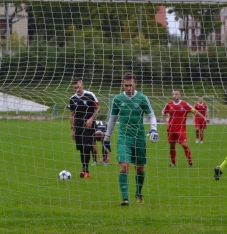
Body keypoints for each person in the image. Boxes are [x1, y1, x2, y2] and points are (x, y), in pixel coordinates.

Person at [103, 72, 159, 206]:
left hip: (139, 137)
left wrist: (153, 129)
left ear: (136, 84)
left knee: (139, 168)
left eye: (131, 85)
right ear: (123, 84)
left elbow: (151, 115)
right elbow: (112, 119)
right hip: (123, 137)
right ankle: (125, 198)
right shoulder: (117, 99)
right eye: (126, 85)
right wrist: (107, 137)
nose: (129, 88)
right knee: (124, 165)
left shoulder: (142, 98)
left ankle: (139, 192)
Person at [162, 90, 209, 167]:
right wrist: (166, 123)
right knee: (172, 145)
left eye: (176, 94)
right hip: (171, 129)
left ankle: (190, 162)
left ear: (180, 95)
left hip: (181, 129)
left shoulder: (184, 104)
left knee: (184, 145)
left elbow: (195, 112)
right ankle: (173, 163)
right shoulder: (169, 104)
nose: (175, 95)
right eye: (173, 94)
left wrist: (204, 117)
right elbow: (163, 113)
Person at [68, 78, 100, 178]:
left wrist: (91, 119)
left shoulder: (90, 95)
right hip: (79, 127)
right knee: (81, 148)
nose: (77, 89)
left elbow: (98, 108)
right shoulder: (73, 99)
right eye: (75, 88)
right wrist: (72, 130)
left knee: (87, 146)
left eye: (78, 87)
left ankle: (85, 170)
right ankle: (84, 168)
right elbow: (72, 115)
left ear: (83, 85)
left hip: (89, 126)